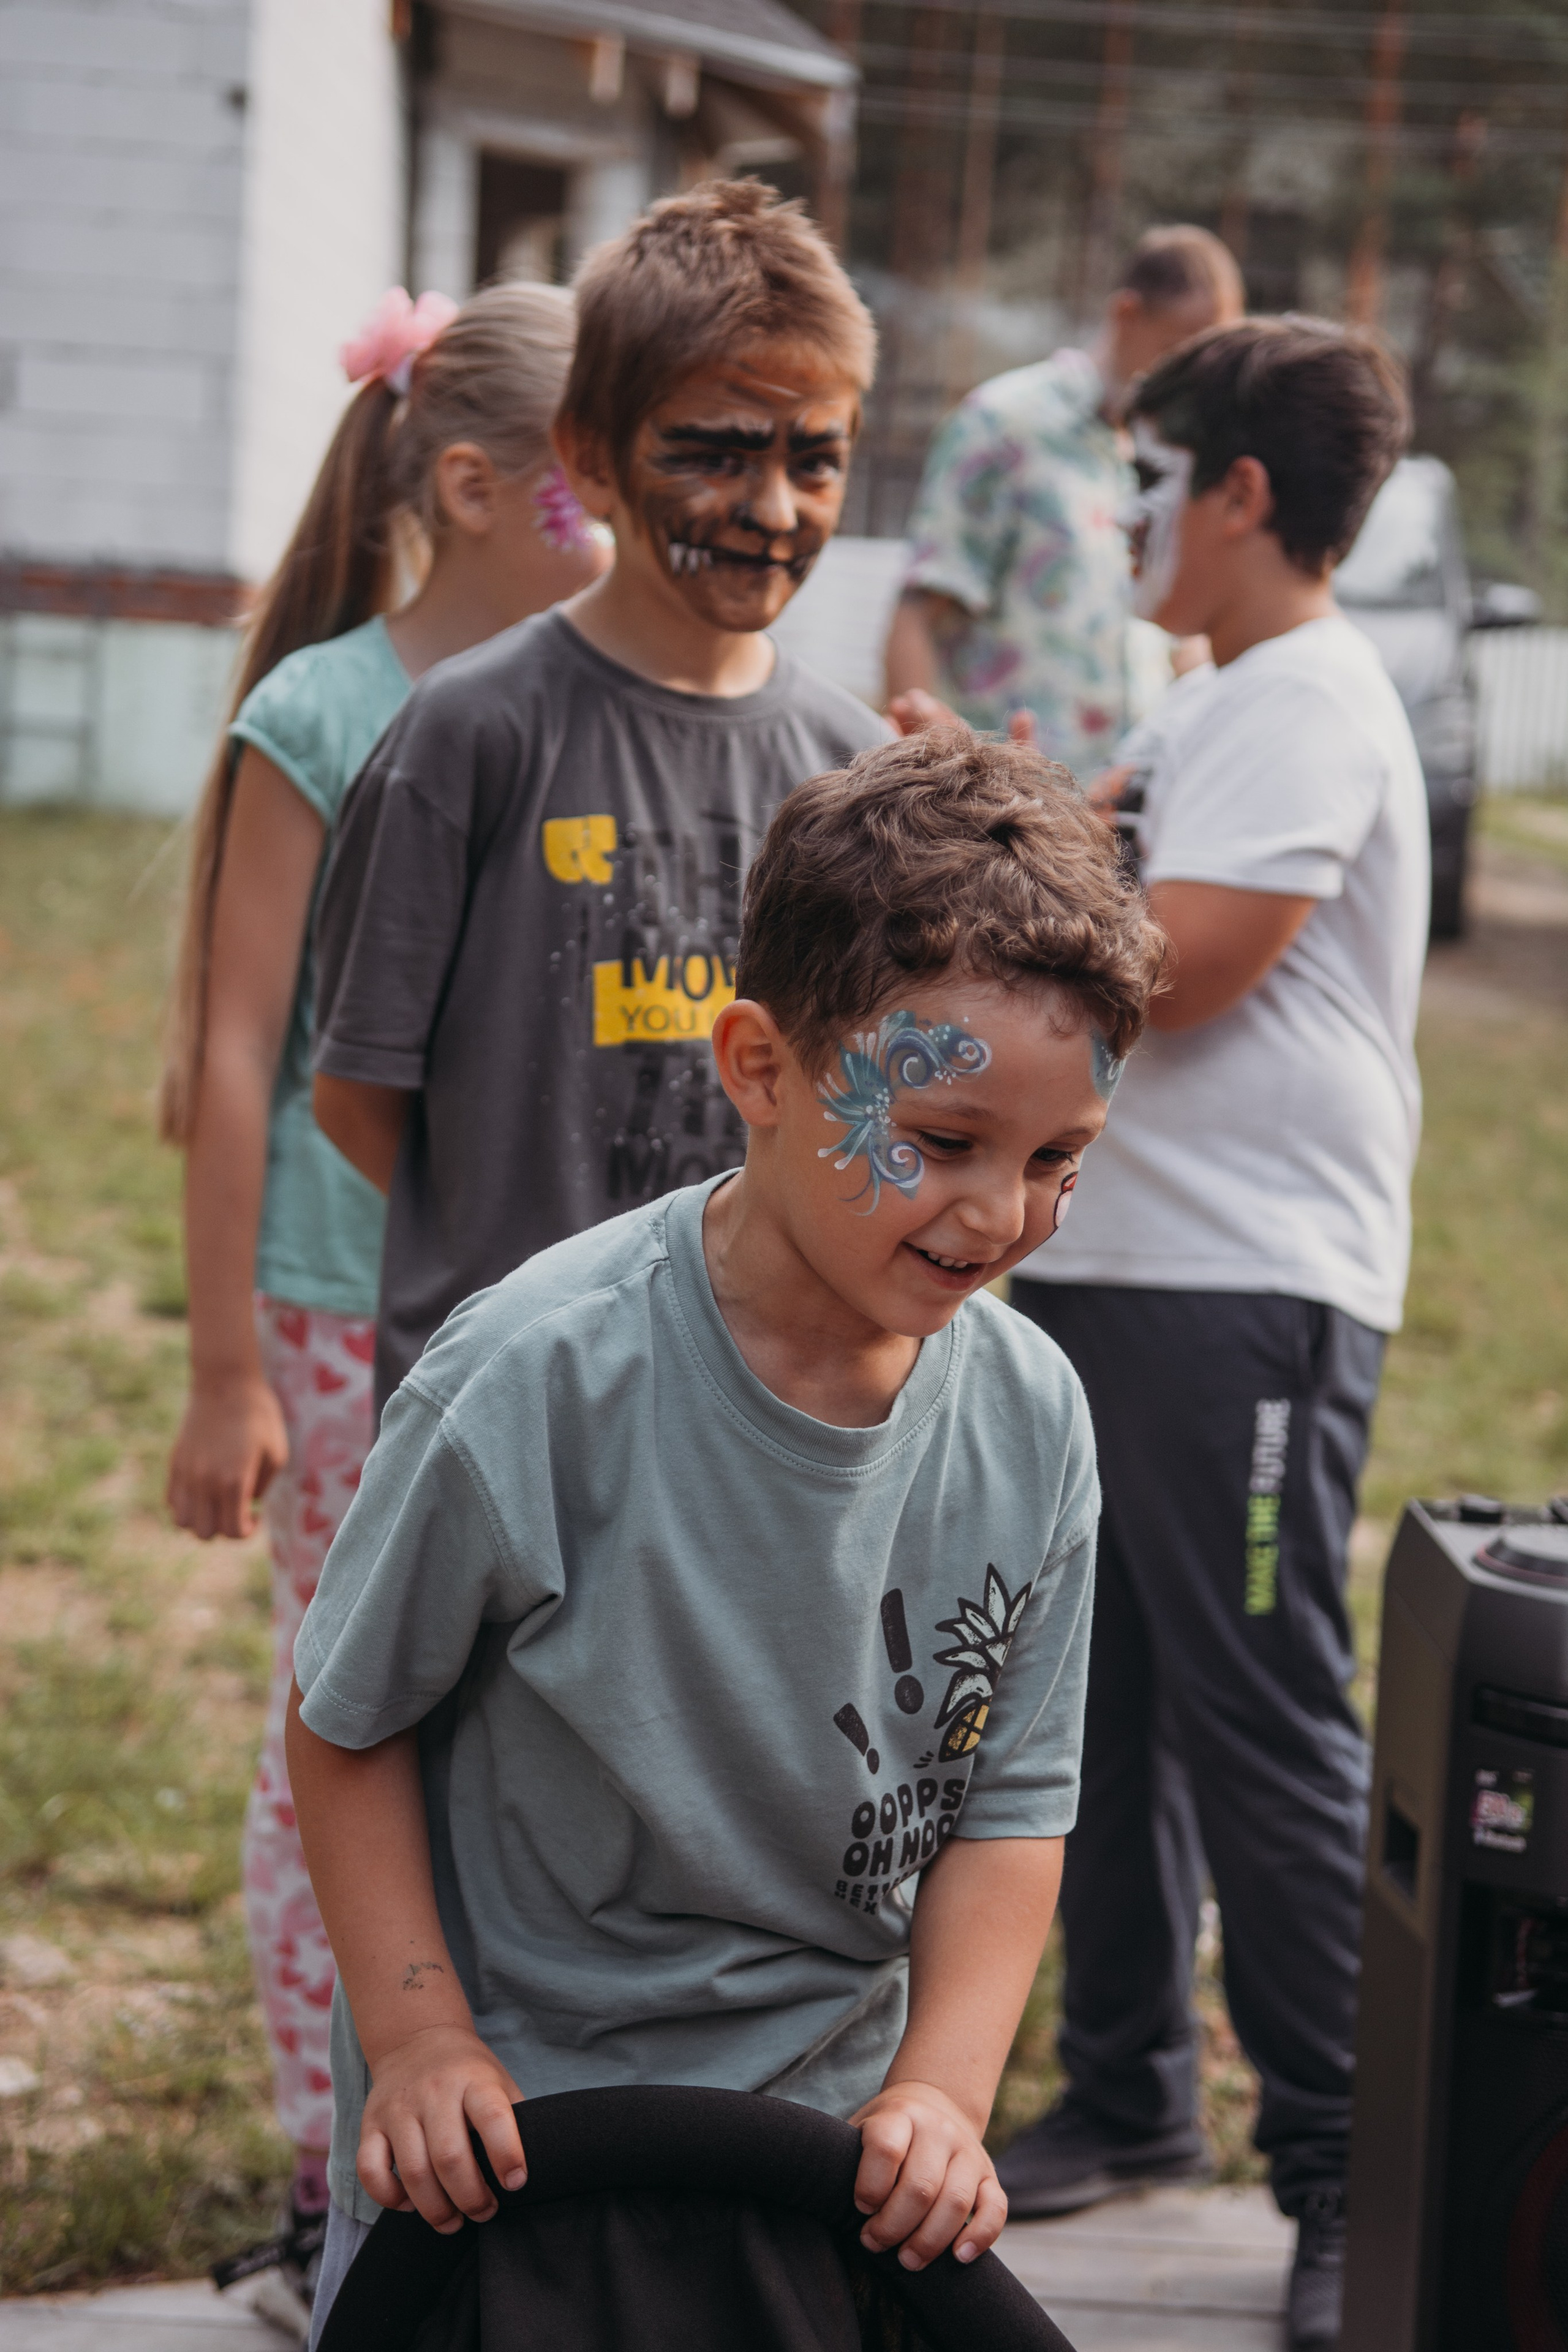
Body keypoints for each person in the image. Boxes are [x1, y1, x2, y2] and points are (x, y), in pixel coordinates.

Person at [284, 732, 1167, 2346]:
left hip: (819, 2178)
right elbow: (347, 1725)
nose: (1000, 1218)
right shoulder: (531, 1382)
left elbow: (1014, 1808)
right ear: (758, 1065)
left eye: (1058, 1162)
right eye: (948, 1140)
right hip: (506, 2172)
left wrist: (943, 2098)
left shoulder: (1034, 1420)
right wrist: (418, 2044)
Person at [160, 279, 607, 2318]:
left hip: (530, 1328)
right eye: (608, 483)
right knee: (347, 1744)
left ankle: (484, 2164)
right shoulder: (325, 715)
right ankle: (322, 2194)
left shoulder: (574, 701)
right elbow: (242, 1054)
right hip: (345, 1335)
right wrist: (226, 1368)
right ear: (473, 486)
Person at [997, 317, 1425, 2352]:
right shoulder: (1217, 703)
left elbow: (1200, 963)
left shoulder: (1308, 696)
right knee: (1108, 1713)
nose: (1132, 517)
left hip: (1248, 1295)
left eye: (1157, 482)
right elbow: (1079, 852)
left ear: (1247, 495)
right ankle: (1130, 2096)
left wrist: (1011, 877)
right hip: (1110, 1271)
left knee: (1259, 1717)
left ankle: (1344, 2171)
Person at [308, 181, 892, 1418]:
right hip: (507, 1412)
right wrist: (512, 1285)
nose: (773, 507)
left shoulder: (851, 768)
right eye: (717, 451)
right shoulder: (468, 731)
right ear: (590, 455)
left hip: (752, 1412)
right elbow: (357, 1094)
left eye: (815, 460)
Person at [883, 225, 1243, 767]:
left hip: (1117, 821)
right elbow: (915, 618)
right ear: (1126, 315)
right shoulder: (1006, 424)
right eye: (1179, 352)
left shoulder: (1171, 450)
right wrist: (930, 793)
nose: (1195, 382)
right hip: (1004, 825)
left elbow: (1176, 642)